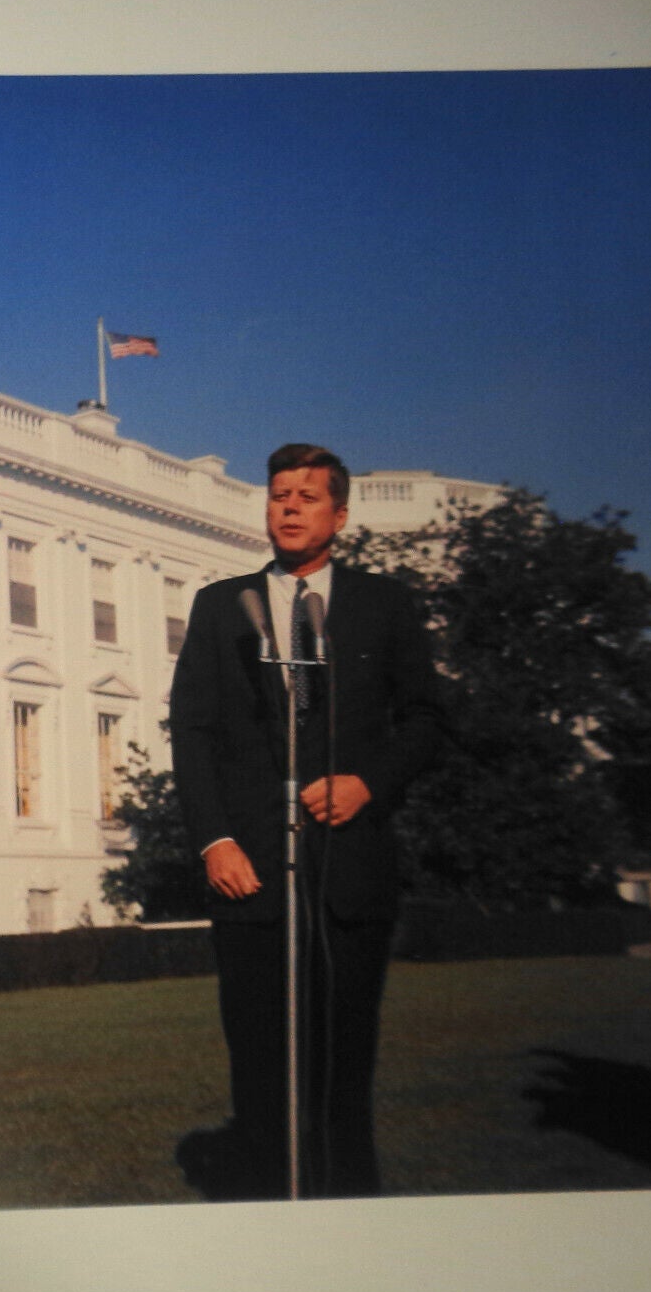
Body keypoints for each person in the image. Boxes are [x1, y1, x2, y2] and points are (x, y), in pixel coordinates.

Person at [169, 443, 445, 1199]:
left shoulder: (383, 604)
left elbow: (426, 718)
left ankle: (351, 1231)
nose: (289, 507)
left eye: (307, 496)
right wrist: (215, 839)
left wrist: (368, 783)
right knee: (259, 1070)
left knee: (341, 1072)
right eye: (278, 494)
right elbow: (190, 731)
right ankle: (267, 1230)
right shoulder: (223, 606)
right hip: (248, 872)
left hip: (348, 871)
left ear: (340, 515)